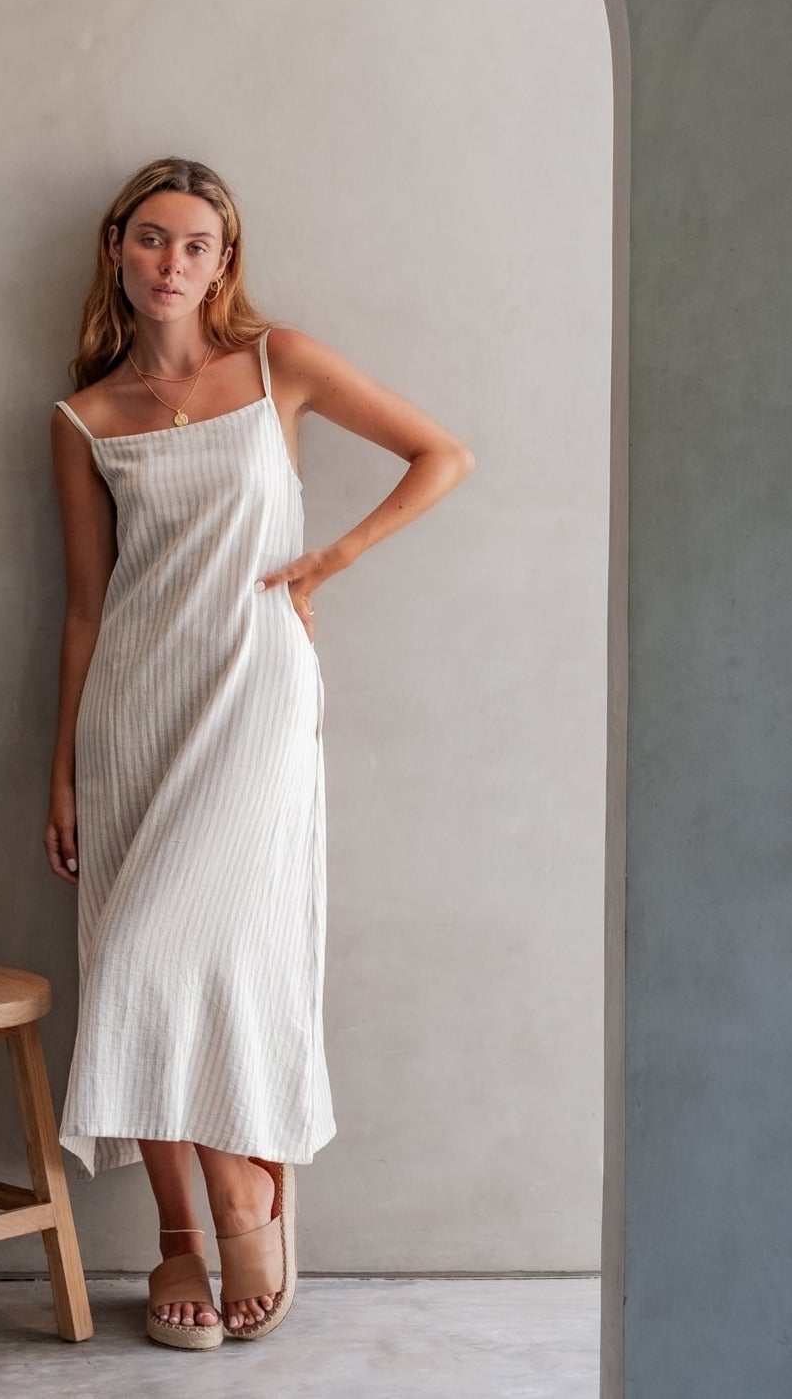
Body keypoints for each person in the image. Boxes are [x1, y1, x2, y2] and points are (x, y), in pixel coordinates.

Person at [47, 157, 474, 1349]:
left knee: (195, 952)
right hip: (133, 709)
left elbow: (441, 455)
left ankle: (249, 1189)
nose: (171, 263)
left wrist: (325, 562)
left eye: (196, 245)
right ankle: (177, 1232)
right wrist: (60, 771)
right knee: (132, 964)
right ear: (116, 250)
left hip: (255, 697)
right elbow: (84, 609)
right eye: (151, 241)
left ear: (223, 260)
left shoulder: (277, 362)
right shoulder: (84, 416)